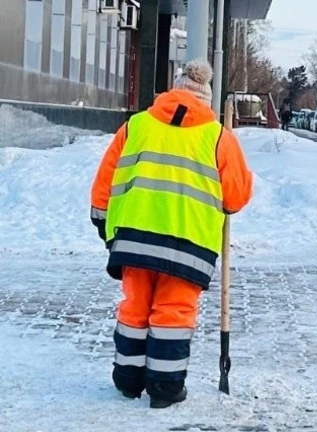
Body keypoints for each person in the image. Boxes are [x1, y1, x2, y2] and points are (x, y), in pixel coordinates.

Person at [90, 59, 253, 409]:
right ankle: (165, 388)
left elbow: (106, 177)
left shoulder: (136, 126)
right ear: (205, 100)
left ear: (172, 90)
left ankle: (128, 381)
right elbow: (236, 197)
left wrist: (101, 219)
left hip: (133, 236)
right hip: (188, 244)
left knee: (135, 307)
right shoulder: (217, 137)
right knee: (173, 313)